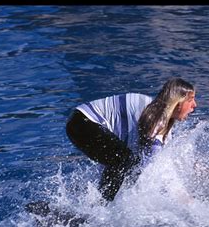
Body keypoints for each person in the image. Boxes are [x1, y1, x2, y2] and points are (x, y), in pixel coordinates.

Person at [66, 77, 197, 202]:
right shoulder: (154, 114)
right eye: (191, 100)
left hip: (83, 122)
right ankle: (103, 208)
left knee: (127, 163)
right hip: (82, 123)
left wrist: (183, 196)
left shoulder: (161, 124)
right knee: (125, 161)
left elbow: (160, 164)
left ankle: (102, 205)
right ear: (178, 102)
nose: (195, 105)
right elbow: (152, 166)